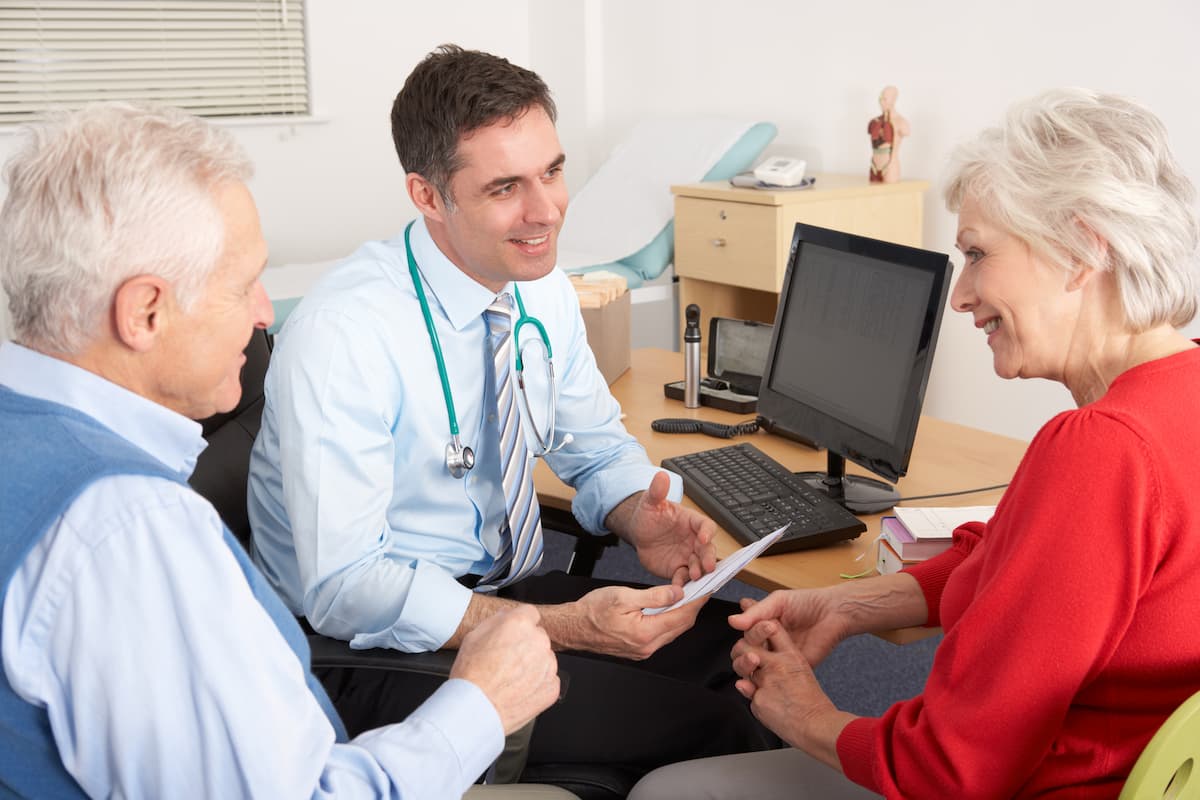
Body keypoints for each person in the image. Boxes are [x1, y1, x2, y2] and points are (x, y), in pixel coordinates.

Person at [628, 88, 1200, 798]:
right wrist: (845, 606)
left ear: (1082, 250)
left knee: (667, 791)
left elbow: (949, 768)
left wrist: (808, 716)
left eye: (978, 254)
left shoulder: (1104, 450)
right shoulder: (1176, 399)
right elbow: (1008, 561)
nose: (961, 295)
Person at [0, 101, 576, 800]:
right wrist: (481, 704)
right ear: (145, 311)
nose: (265, 313)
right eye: (242, 285)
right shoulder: (130, 529)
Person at [247, 44, 774, 779]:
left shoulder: (537, 285)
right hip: (365, 650)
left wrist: (636, 512)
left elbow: (593, 443)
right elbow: (345, 588)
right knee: (714, 730)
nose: (546, 212)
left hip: (499, 595)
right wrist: (562, 627)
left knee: (750, 651)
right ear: (428, 195)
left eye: (552, 172)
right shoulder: (344, 336)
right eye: (505, 188)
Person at [867, 85, 909, 183]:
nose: (881, 102)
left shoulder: (901, 122)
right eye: (880, 98)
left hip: (890, 167)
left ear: (893, 100)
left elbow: (906, 131)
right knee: (872, 191)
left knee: (890, 191)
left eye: (885, 99)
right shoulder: (875, 122)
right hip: (874, 166)